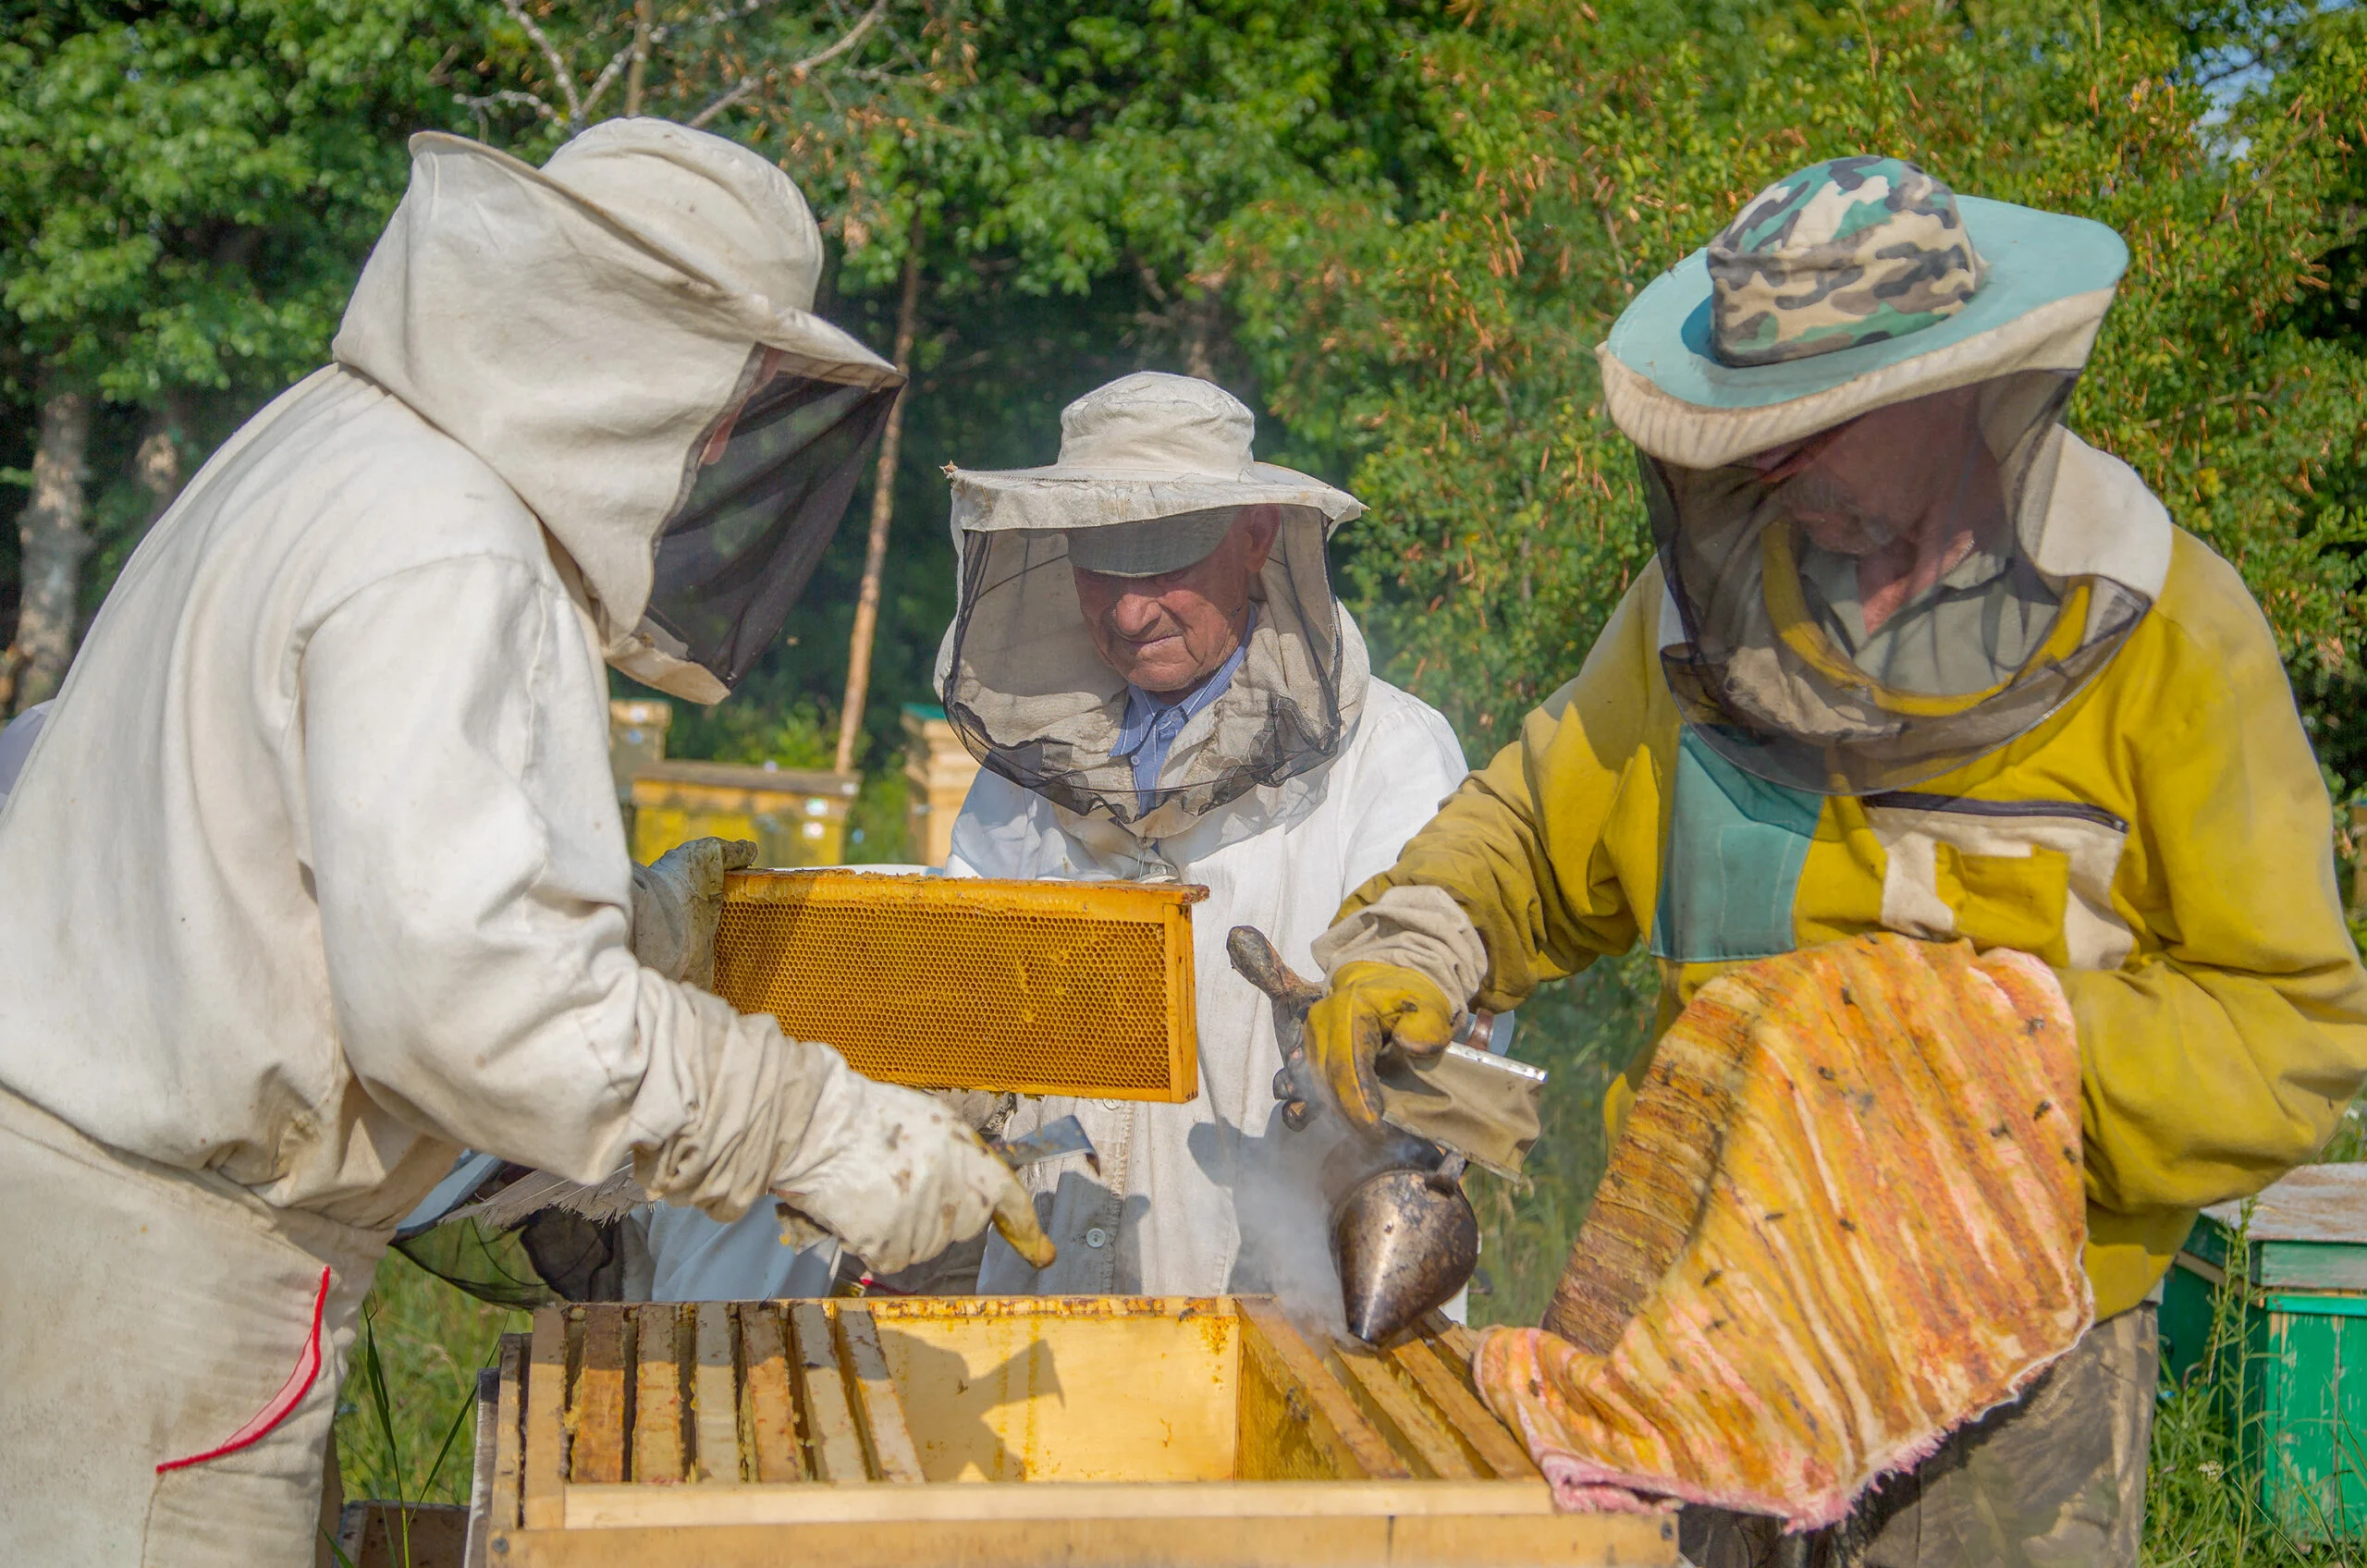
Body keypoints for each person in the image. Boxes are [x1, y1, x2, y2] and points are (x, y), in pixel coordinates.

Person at [0, 118, 1049, 1566]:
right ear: (654, 358)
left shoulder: (321, 447)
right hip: (168, 1280)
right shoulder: (455, 544)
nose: (730, 448)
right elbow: (472, 1012)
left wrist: (635, 929)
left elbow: (309, 879)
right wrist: (814, 1124)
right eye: (738, 398)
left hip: (75, 1225)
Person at [1304, 156, 2367, 1563]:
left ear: (1955, 393)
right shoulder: (1693, 620)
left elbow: (2290, 1032)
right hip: (1704, 1332)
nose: (1771, 471)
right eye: (1755, 431)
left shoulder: (2176, 638)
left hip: (2008, 1383)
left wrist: (1962, 1063)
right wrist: (1414, 944)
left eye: (1817, 430)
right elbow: (1537, 831)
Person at [641, 372, 1471, 1304]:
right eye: (1101, 564)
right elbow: (964, 999)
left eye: (1162, 561)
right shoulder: (1034, 768)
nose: (1127, 610)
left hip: (1297, 1297)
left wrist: (1351, 1051)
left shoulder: (1389, 761)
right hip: (1049, 1296)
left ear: (1256, 536)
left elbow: (1445, 1036)